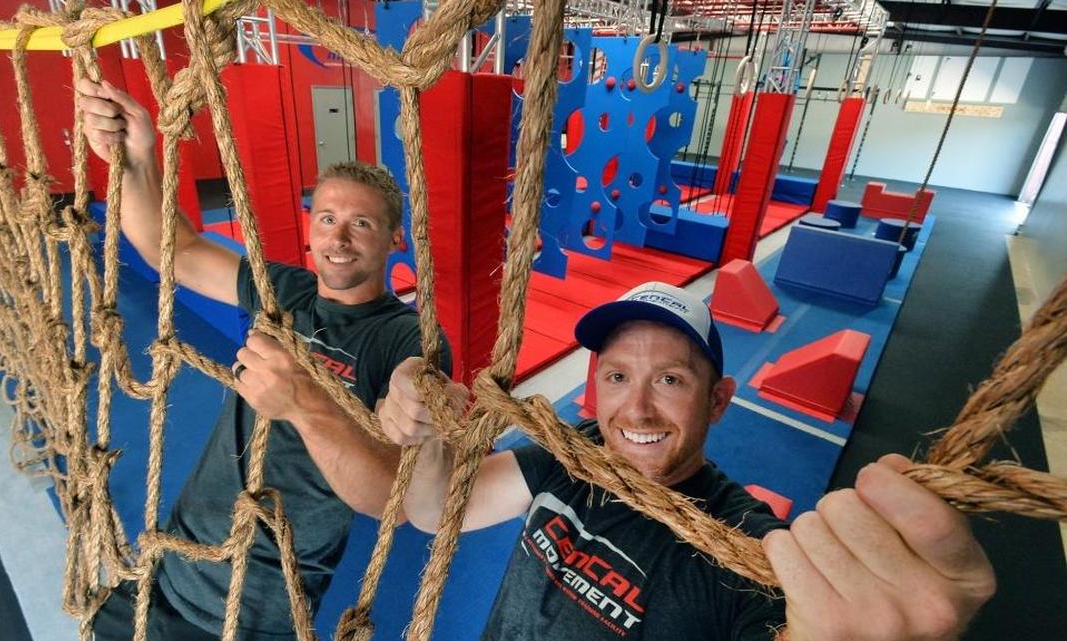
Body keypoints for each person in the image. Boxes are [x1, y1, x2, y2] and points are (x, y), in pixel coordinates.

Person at [381, 282, 997, 641]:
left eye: (671, 379)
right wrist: (425, 432)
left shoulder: (750, 547)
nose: (637, 409)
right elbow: (435, 512)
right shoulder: (573, 453)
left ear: (719, 401)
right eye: (618, 376)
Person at [76, 78, 451, 641]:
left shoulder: (407, 341)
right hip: (171, 560)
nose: (339, 238)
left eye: (362, 223)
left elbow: (390, 502)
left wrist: (303, 403)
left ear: (396, 237)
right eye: (326, 218)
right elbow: (169, 248)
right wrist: (136, 156)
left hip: (257, 603)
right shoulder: (285, 292)